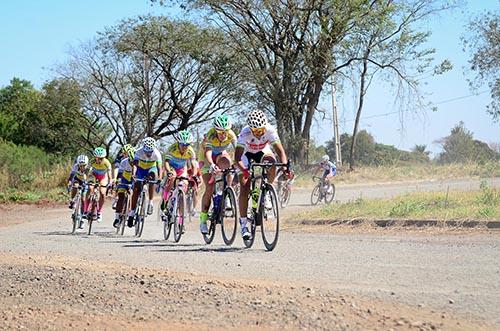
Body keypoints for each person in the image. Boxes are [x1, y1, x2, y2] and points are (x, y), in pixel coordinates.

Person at [234, 110, 290, 240]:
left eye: (261, 131)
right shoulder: (244, 133)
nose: (259, 134)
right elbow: (237, 158)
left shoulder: (270, 130)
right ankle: (243, 225)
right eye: (256, 131)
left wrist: (285, 167)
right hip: (245, 154)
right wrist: (245, 171)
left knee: (272, 162)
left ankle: (267, 192)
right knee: (244, 186)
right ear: (251, 129)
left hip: (262, 151)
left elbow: (280, 152)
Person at [198, 114, 237, 234]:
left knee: (229, 165)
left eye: (225, 132)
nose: (223, 135)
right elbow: (208, 153)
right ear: (215, 130)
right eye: (220, 132)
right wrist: (211, 165)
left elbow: (239, 149)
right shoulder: (210, 135)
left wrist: (239, 163)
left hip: (220, 154)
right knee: (209, 189)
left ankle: (228, 192)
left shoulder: (231, 134)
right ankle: (203, 220)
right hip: (205, 159)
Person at [127, 137, 163, 227]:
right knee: (136, 190)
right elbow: (135, 165)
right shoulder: (138, 152)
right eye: (147, 152)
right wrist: (133, 174)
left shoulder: (157, 153)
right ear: (144, 149)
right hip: (140, 169)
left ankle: (150, 201)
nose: (149, 154)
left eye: (150, 152)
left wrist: (160, 178)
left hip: (151, 168)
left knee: (152, 177)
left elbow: (159, 168)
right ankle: (131, 213)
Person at [162, 130, 198, 209]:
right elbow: (166, 162)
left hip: (182, 167)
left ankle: (179, 201)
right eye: (182, 144)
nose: (185, 147)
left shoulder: (191, 151)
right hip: (171, 166)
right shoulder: (172, 149)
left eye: (187, 145)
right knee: (173, 176)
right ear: (178, 143)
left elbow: (194, 164)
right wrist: (168, 171)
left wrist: (194, 175)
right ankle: (166, 196)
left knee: (185, 183)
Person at [85, 147, 113, 222]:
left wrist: (110, 181)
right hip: (93, 175)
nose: (99, 160)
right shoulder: (92, 161)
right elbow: (87, 170)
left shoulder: (107, 162)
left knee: (103, 193)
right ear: (95, 157)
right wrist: (85, 178)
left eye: (101, 158)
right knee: (90, 189)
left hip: (103, 177)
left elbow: (109, 174)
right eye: (98, 158)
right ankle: (85, 210)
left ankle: (99, 212)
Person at [112, 146, 135, 228]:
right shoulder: (124, 162)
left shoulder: (138, 163)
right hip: (125, 178)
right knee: (121, 196)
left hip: (133, 179)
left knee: (133, 194)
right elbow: (120, 174)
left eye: (133, 162)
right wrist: (118, 181)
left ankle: (131, 212)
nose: (132, 164)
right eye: (131, 162)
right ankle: (117, 217)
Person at [111, 144, 133, 209]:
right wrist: (115, 178)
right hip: (121, 173)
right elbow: (116, 168)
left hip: (131, 174)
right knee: (118, 182)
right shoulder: (120, 158)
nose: (125, 155)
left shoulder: (133, 158)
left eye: (127, 153)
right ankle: (116, 199)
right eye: (124, 153)